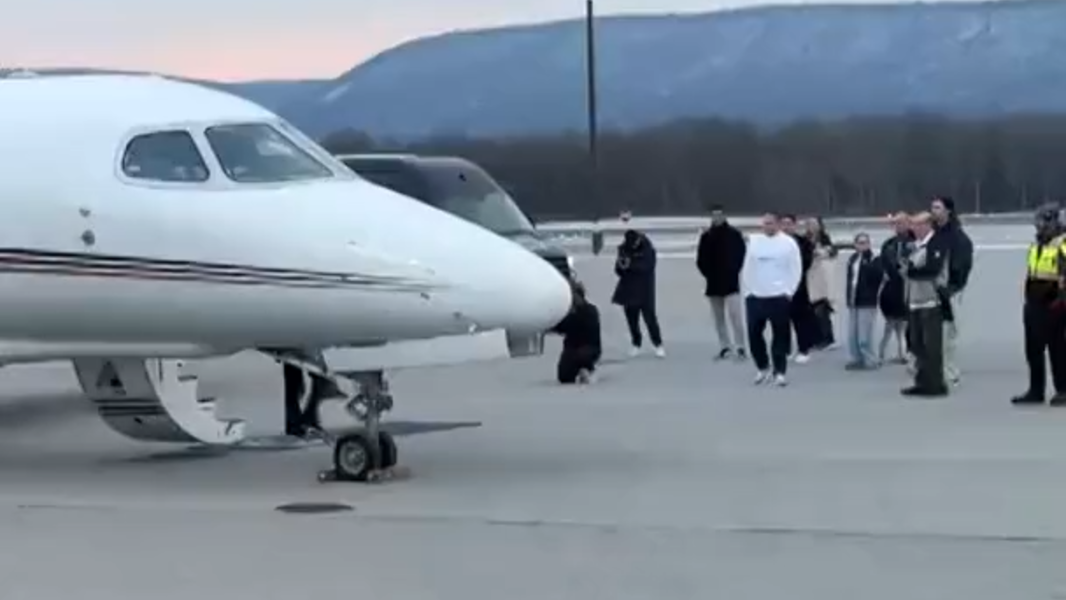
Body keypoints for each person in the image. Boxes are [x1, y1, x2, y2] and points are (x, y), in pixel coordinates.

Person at [1011, 205, 1066, 406]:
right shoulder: (1037, 245)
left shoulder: (1062, 245)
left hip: (1054, 303)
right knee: (1033, 349)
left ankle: (1063, 390)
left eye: (1042, 222)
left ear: (1052, 222)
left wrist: (1060, 300)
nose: (1038, 226)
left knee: (1058, 350)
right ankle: (1036, 390)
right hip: (1034, 303)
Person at [742, 212, 803, 386]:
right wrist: (748, 290)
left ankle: (780, 371)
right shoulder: (755, 242)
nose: (767, 226)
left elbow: (795, 268)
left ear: (777, 224)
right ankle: (762, 367)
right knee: (754, 334)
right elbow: (747, 266)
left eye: (770, 223)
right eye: (764, 223)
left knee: (780, 335)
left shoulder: (788, 243)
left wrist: (789, 291)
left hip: (778, 296)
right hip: (755, 296)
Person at [901, 212, 950, 397]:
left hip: (930, 300)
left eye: (918, 224)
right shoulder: (916, 245)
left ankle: (935, 384)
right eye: (913, 225)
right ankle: (922, 382)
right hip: (915, 300)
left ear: (928, 225)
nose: (914, 228)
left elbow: (932, 270)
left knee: (931, 346)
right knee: (917, 344)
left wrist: (910, 272)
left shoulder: (936, 244)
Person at [931, 196, 974, 386]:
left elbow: (963, 263)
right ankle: (937, 370)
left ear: (948, 211)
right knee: (935, 333)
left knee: (948, 333)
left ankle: (950, 372)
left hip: (951, 291)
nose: (933, 211)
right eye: (932, 207)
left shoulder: (957, 236)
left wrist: (954, 287)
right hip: (932, 291)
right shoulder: (933, 233)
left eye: (937, 207)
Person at [696, 205, 747, 360]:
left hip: (731, 282)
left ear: (724, 216)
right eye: (714, 215)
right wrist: (708, 274)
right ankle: (725, 346)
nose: (717, 218)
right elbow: (700, 259)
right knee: (719, 318)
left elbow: (741, 254)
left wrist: (733, 270)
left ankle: (740, 346)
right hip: (713, 283)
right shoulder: (706, 236)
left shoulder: (734, 234)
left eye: (719, 215)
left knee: (735, 316)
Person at [612, 229, 665, 358]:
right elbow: (618, 270)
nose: (633, 246)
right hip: (628, 289)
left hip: (645, 289)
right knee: (632, 319)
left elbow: (647, 267)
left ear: (638, 240)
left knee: (650, 318)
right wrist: (621, 266)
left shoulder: (648, 249)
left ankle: (658, 344)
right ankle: (636, 343)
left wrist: (630, 265)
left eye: (634, 244)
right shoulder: (623, 249)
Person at [780, 214, 817, 363]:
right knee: (782, 320)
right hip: (779, 287)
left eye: (789, 224)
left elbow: (807, 262)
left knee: (800, 319)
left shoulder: (803, 242)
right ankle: (785, 349)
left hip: (798, 286)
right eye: (783, 224)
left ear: (794, 225)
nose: (786, 227)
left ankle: (803, 349)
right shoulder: (775, 242)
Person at [844, 232, 884, 370]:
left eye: (865, 243)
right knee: (852, 333)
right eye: (860, 243)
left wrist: (867, 262)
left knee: (864, 334)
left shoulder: (874, 259)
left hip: (867, 301)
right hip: (853, 299)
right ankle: (856, 358)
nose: (863, 245)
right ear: (855, 245)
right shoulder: (852, 258)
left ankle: (870, 359)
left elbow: (878, 276)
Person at [878, 212, 914, 364]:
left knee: (907, 321)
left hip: (908, 285)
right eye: (896, 223)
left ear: (908, 224)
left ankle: (907, 351)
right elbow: (882, 262)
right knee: (891, 320)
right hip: (891, 286)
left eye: (902, 223)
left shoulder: (915, 242)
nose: (898, 226)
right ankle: (883, 352)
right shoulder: (889, 244)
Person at [552, 280, 602, 384]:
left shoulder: (590, 310)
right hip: (571, 347)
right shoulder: (567, 311)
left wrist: (572, 316)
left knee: (582, 356)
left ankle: (589, 369)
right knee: (564, 377)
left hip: (590, 346)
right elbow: (561, 327)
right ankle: (577, 371)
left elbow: (586, 327)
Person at [805, 217, 838, 350]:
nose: (811, 226)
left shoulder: (825, 239)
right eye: (809, 224)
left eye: (814, 224)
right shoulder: (805, 239)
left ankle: (827, 338)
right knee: (811, 312)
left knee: (822, 311)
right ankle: (815, 338)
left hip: (823, 280)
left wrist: (820, 252)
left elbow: (832, 252)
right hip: (810, 279)